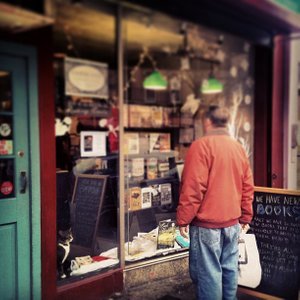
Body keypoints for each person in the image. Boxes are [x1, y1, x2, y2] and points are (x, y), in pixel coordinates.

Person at [176, 105, 254, 300]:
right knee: (229, 271)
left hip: (206, 225)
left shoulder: (201, 146)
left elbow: (193, 188)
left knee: (208, 276)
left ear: (207, 122)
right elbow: (247, 186)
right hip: (232, 224)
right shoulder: (238, 148)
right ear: (226, 123)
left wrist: (183, 219)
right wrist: (246, 216)